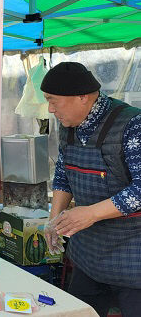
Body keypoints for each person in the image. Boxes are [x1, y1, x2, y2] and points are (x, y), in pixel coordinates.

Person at [42, 62, 141, 317]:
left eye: (54, 101)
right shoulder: (69, 126)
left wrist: (90, 214)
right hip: (89, 255)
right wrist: (54, 219)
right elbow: (64, 173)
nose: (50, 109)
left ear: (82, 97)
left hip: (133, 255)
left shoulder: (132, 124)